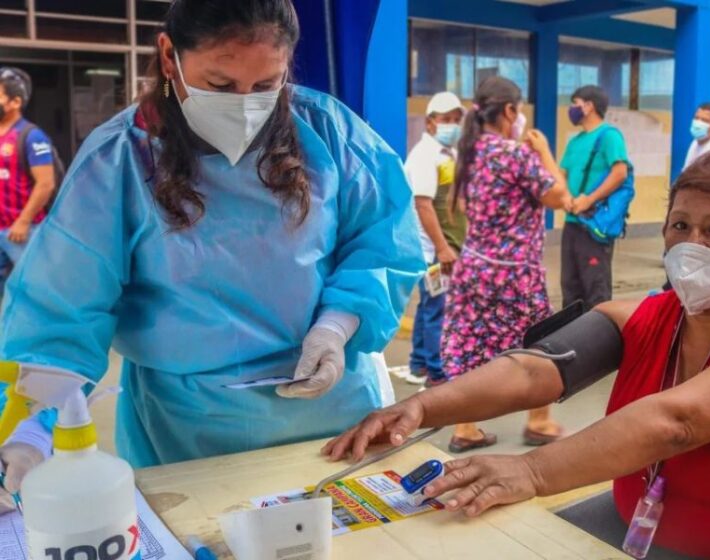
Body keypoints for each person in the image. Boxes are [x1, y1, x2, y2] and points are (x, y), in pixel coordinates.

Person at [0, 0, 424, 510]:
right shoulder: (121, 158)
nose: (244, 105)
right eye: (220, 86)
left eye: (266, 85)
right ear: (168, 56)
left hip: (333, 414)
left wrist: (337, 327)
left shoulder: (330, 132)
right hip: (189, 430)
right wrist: (35, 424)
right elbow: (63, 303)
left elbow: (382, 242)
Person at [326, 151, 710, 558]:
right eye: (680, 226)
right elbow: (536, 370)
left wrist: (530, 472)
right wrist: (423, 408)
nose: (692, 244)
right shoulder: (643, 316)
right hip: (643, 531)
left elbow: (677, 421)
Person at [440, 76, 570, 452]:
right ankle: (540, 421)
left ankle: (465, 428)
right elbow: (559, 197)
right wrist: (544, 151)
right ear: (511, 110)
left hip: (474, 267)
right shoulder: (515, 155)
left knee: (470, 343)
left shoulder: (470, 151)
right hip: (515, 273)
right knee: (537, 343)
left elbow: (463, 205)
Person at [404, 92, 465, 388]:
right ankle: (437, 372)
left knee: (430, 305)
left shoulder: (445, 153)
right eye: (446, 120)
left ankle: (419, 362)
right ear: (430, 123)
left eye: (456, 120)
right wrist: (442, 248)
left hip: (436, 248)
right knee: (438, 308)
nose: (452, 125)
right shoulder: (425, 155)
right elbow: (423, 204)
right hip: (431, 251)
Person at [559, 85, 630, 310]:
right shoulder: (575, 141)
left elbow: (620, 172)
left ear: (588, 106)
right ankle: (569, 339)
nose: (571, 109)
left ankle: (596, 341)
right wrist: (566, 198)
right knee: (570, 287)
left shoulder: (609, 136)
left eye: (575, 103)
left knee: (595, 289)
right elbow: (561, 175)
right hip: (572, 223)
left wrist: (588, 199)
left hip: (594, 226)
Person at [0, 67, 56, 291]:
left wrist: (23, 222)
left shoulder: (32, 136)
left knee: (35, 289)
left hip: (22, 231)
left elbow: (46, 183)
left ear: (15, 102)